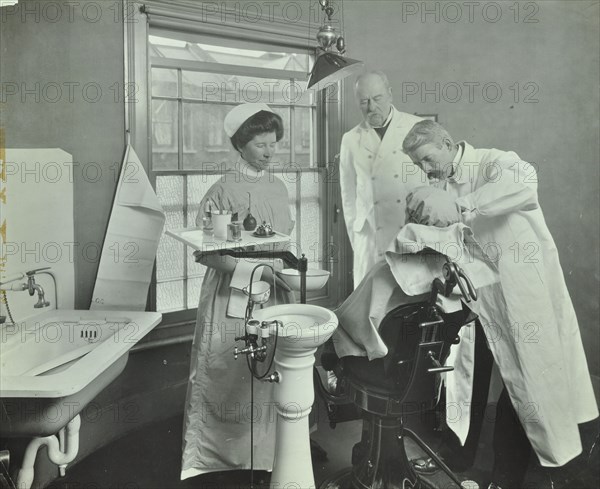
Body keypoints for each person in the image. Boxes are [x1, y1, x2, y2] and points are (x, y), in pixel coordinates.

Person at [402, 120, 599, 489]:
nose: (425, 170)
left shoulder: (494, 162)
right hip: (477, 292)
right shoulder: (439, 184)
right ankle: (460, 454)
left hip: (521, 288)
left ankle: (513, 473)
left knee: (524, 376)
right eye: (418, 165)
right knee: (467, 373)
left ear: (447, 143)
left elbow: (524, 184)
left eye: (427, 159)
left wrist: (463, 204)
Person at [181, 103, 295, 479]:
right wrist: (254, 269)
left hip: (274, 289)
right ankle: (221, 460)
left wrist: (281, 270)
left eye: (273, 144)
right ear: (240, 145)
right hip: (232, 289)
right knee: (228, 372)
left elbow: (283, 240)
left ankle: (269, 456)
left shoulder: (278, 188)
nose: (269, 151)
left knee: (270, 373)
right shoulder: (222, 190)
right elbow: (208, 255)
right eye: (260, 144)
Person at [339, 71, 425, 287]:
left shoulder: (416, 127)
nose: (371, 107)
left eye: (377, 99)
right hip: (370, 237)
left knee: (410, 300)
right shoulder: (350, 139)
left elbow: (434, 183)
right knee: (371, 302)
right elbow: (348, 197)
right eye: (364, 101)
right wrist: (357, 238)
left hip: (408, 232)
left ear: (390, 94)